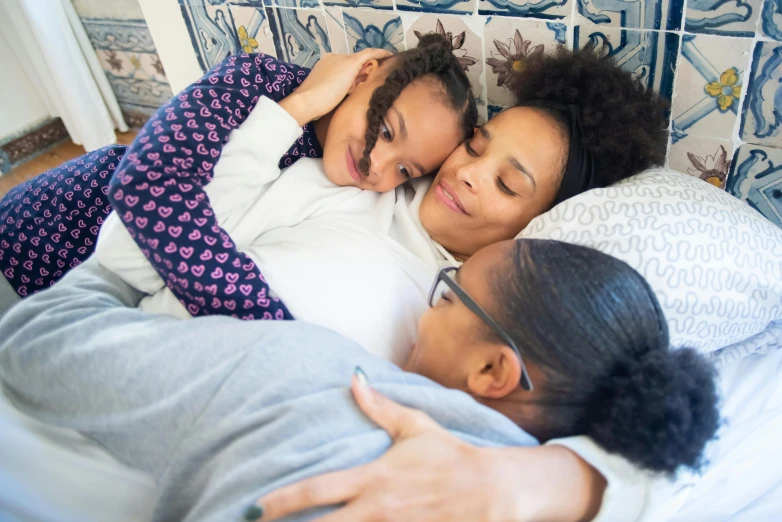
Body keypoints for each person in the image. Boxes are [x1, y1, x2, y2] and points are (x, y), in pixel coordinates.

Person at [0, 239, 719, 522]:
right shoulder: (565, 489)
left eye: (447, 294)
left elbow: (32, 342)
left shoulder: (321, 378)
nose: (422, 313)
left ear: (494, 370)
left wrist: (112, 261)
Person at [93, 46, 668, 365]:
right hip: (145, 359)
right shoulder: (343, 186)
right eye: (474, 145)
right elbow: (139, 254)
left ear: (538, 223)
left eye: (507, 185)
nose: (467, 174)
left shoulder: (482, 309)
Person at [0, 35, 475, 299]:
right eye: (387, 130)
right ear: (363, 76)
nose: (378, 166)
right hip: (44, 229)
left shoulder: (348, 190)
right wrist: (301, 105)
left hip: (83, 292)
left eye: (406, 171)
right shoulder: (255, 83)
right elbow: (147, 201)